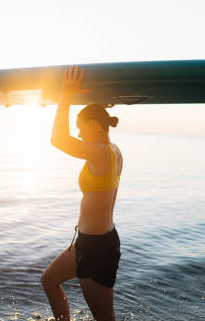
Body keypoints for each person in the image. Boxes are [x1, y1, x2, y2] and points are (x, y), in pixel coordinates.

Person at [41, 66, 123, 321]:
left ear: (96, 126)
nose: (78, 134)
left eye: (81, 127)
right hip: (87, 242)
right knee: (49, 281)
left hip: (97, 249)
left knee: (104, 319)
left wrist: (67, 93)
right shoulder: (113, 150)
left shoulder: (99, 153)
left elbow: (57, 139)